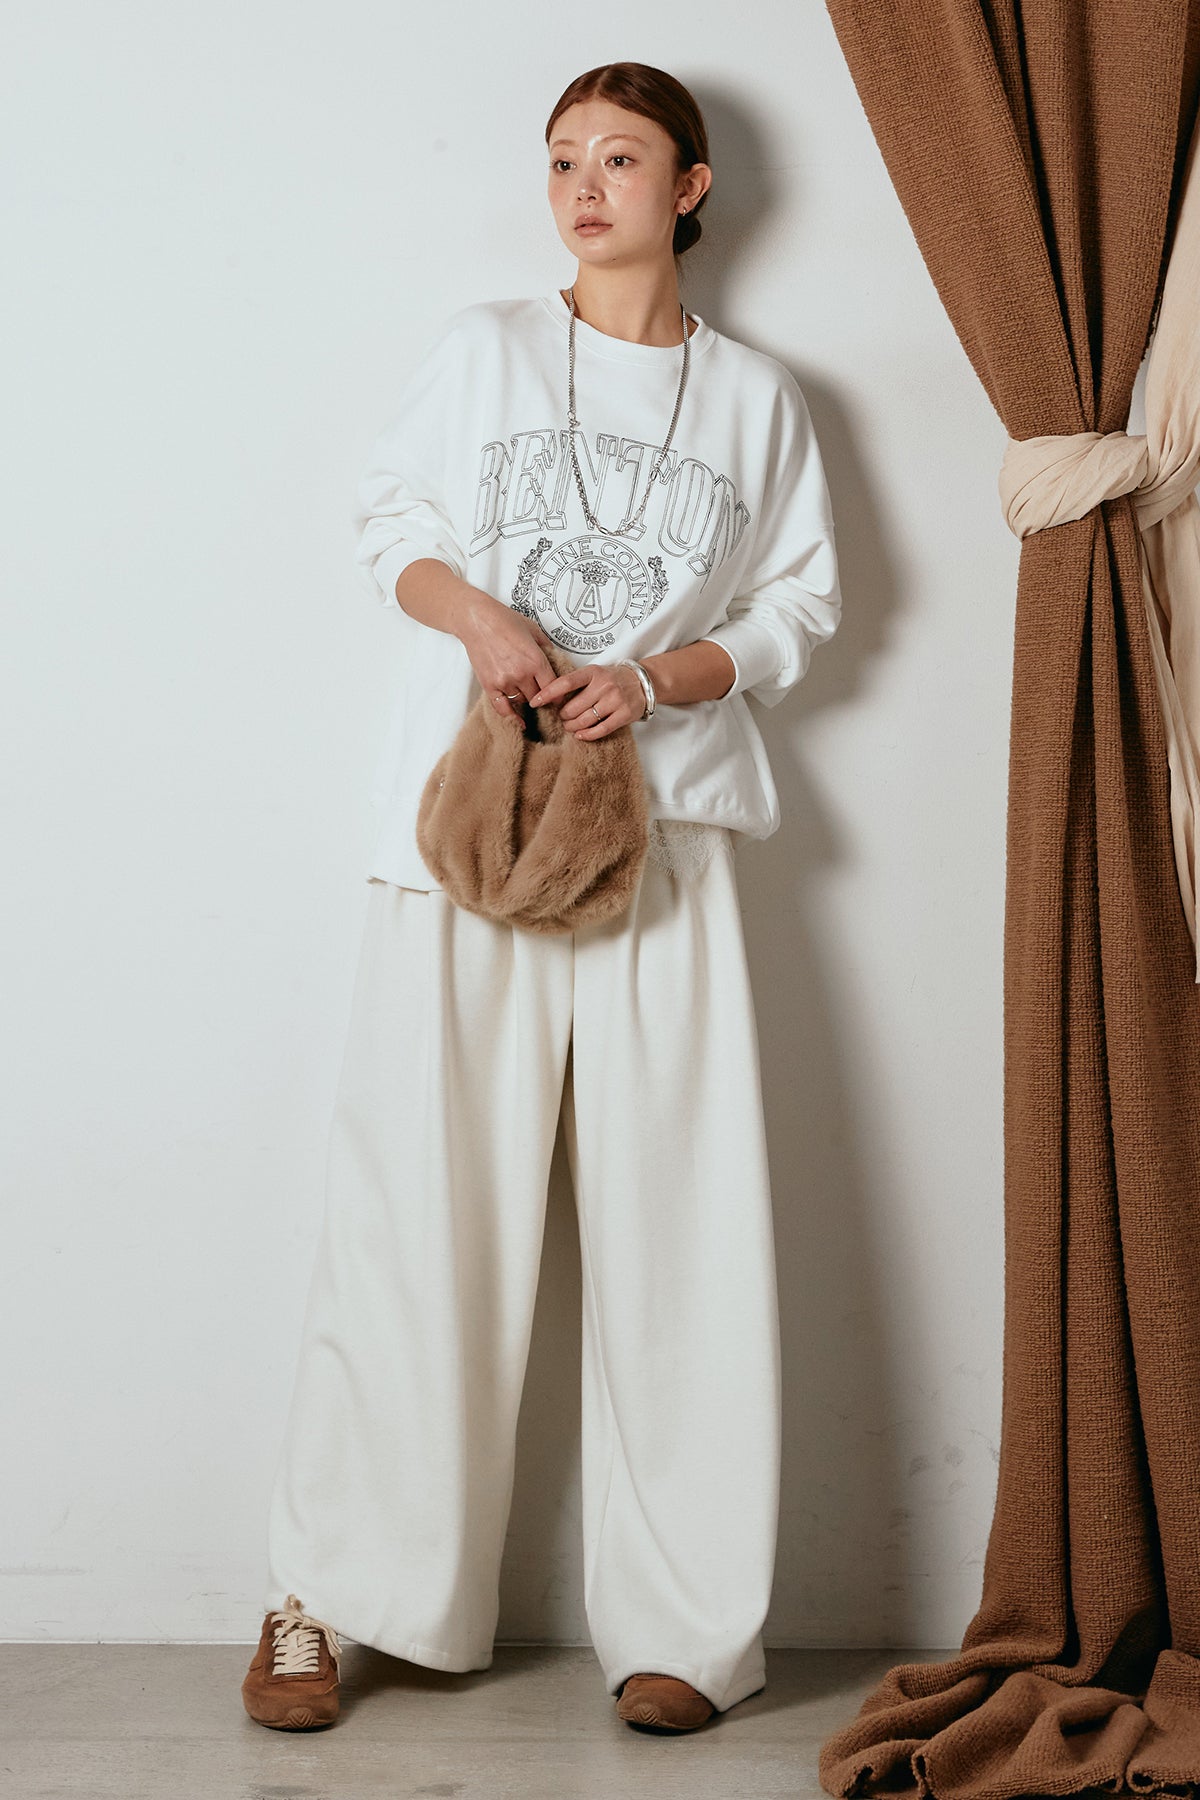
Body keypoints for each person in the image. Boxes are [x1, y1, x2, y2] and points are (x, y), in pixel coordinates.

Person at [241, 60, 841, 1738]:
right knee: (414, 1209)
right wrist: (485, 626)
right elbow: (392, 526)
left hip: (668, 829)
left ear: (692, 189)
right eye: (563, 157)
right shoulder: (486, 350)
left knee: (684, 1226)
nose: (584, 186)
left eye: (622, 158)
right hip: (467, 830)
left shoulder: (759, 399)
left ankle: (688, 1627)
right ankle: (332, 1593)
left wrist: (650, 681)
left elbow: (798, 611)